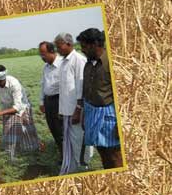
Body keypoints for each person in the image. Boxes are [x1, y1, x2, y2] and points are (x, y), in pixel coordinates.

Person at [76, 28, 122, 169]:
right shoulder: (88, 64)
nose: (82, 50)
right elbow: (86, 93)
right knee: (102, 153)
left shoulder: (112, 63)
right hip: (92, 114)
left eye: (84, 46)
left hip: (110, 118)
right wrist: (84, 115)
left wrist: (120, 125)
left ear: (95, 44)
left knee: (115, 156)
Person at [55, 32, 94, 174]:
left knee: (79, 140)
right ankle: (72, 167)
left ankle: (85, 167)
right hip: (67, 111)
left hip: (77, 110)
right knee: (70, 142)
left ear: (69, 44)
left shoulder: (79, 60)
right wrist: (62, 111)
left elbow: (82, 87)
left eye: (59, 46)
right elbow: (64, 88)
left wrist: (78, 109)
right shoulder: (63, 61)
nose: (57, 50)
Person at [0, 65, 42, 161]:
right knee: (9, 130)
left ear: (4, 78)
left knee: (27, 130)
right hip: (6, 108)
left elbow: (17, 106)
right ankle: (11, 155)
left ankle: (33, 150)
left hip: (22, 107)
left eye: (0, 81)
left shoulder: (14, 83)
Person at [38, 41, 65, 159]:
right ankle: (62, 154)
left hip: (60, 101)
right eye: (40, 54)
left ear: (52, 52)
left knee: (62, 131)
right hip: (49, 103)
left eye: (44, 54)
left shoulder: (63, 64)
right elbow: (43, 84)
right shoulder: (45, 67)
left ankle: (68, 157)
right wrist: (41, 101)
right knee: (54, 130)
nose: (42, 57)